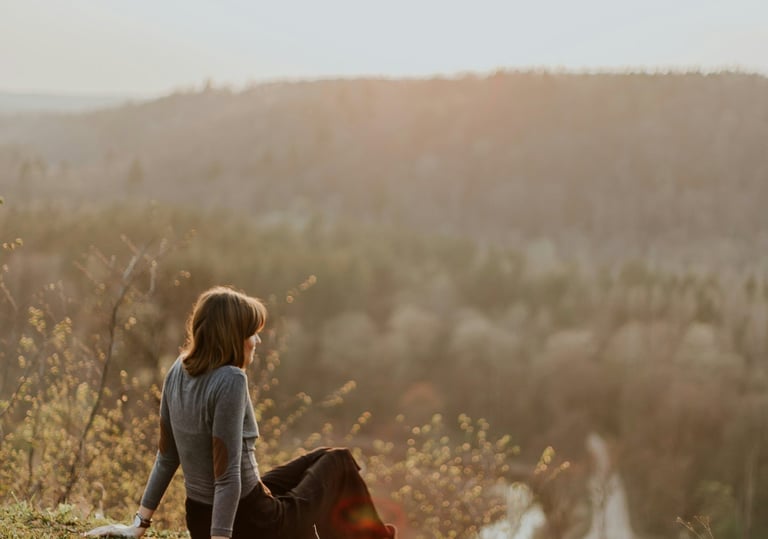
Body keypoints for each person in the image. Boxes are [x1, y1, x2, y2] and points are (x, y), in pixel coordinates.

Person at [86, 285, 396, 539]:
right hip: (252, 522)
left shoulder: (176, 370)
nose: (257, 340)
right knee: (340, 461)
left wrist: (139, 525)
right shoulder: (231, 379)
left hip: (201, 517)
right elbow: (227, 476)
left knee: (324, 456)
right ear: (232, 335)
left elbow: (167, 457)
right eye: (252, 333)